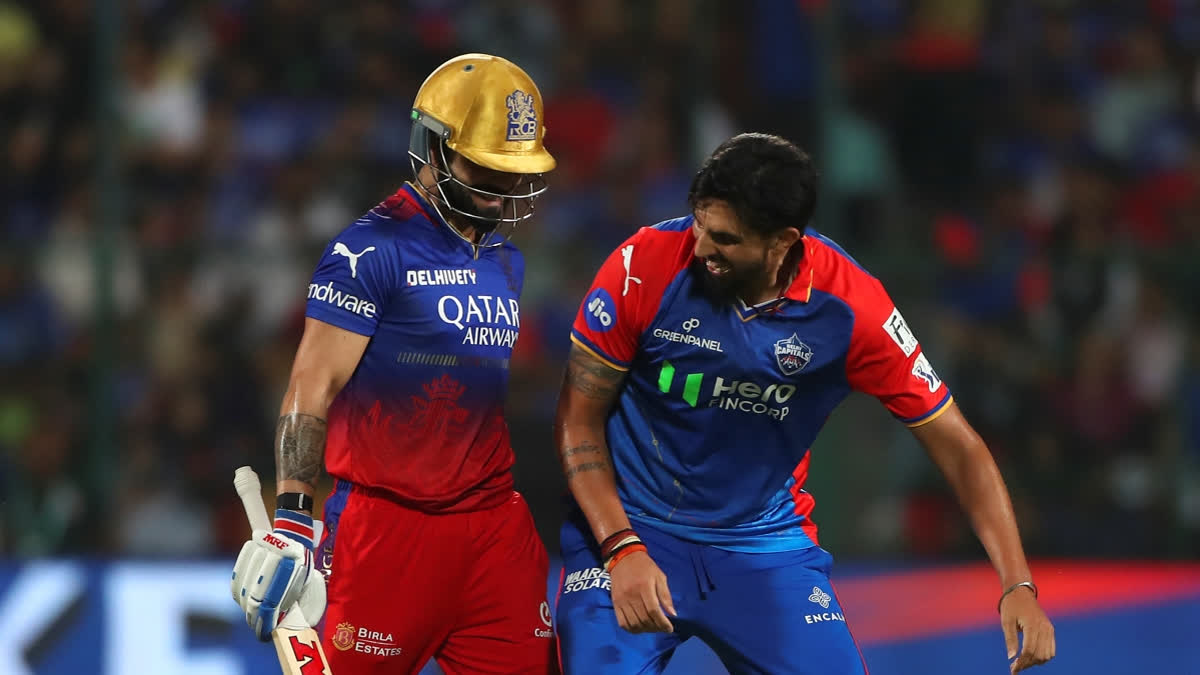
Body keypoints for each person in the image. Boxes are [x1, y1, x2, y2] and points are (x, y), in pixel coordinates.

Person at [553, 133, 1055, 674]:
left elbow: (958, 445)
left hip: (763, 546)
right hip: (631, 529)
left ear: (782, 242)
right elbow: (578, 419)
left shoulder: (852, 308)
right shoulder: (642, 265)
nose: (700, 249)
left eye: (725, 239)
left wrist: (1017, 583)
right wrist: (621, 547)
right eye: (699, 224)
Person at [231, 53, 559, 674]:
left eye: (513, 171)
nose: (501, 189)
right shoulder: (369, 248)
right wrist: (294, 515)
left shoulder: (506, 259)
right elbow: (313, 382)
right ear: (433, 147)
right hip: (386, 533)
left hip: (495, 531)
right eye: (485, 168)